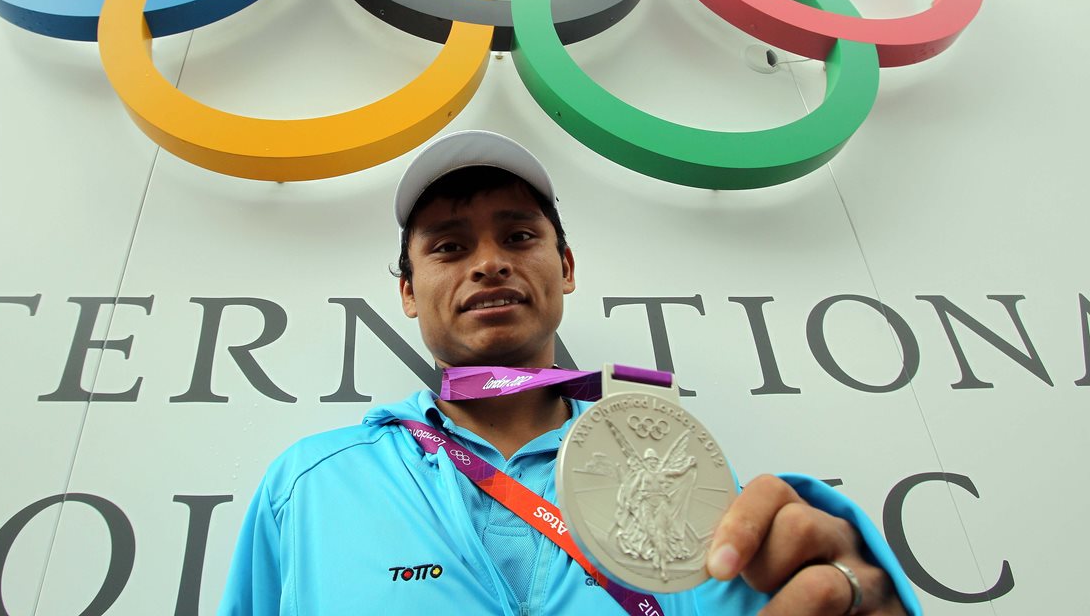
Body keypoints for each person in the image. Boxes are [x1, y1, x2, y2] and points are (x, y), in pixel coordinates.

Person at [218, 130, 919, 615]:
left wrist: (865, 595)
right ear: (407, 292)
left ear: (567, 267)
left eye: (520, 236)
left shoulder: (692, 487)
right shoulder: (307, 485)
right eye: (449, 246)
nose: (489, 262)